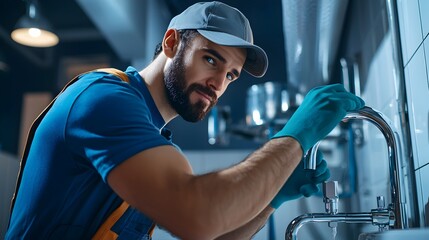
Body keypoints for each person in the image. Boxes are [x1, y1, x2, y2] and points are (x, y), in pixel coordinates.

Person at [6, 1, 364, 239]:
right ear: (172, 43)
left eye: (231, 75)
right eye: (211, 59)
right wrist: (295, 136)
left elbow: (212, 232)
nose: (219, 83)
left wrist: (275, 197)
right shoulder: (104, 99)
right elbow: (198, 216)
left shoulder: (156, 143)